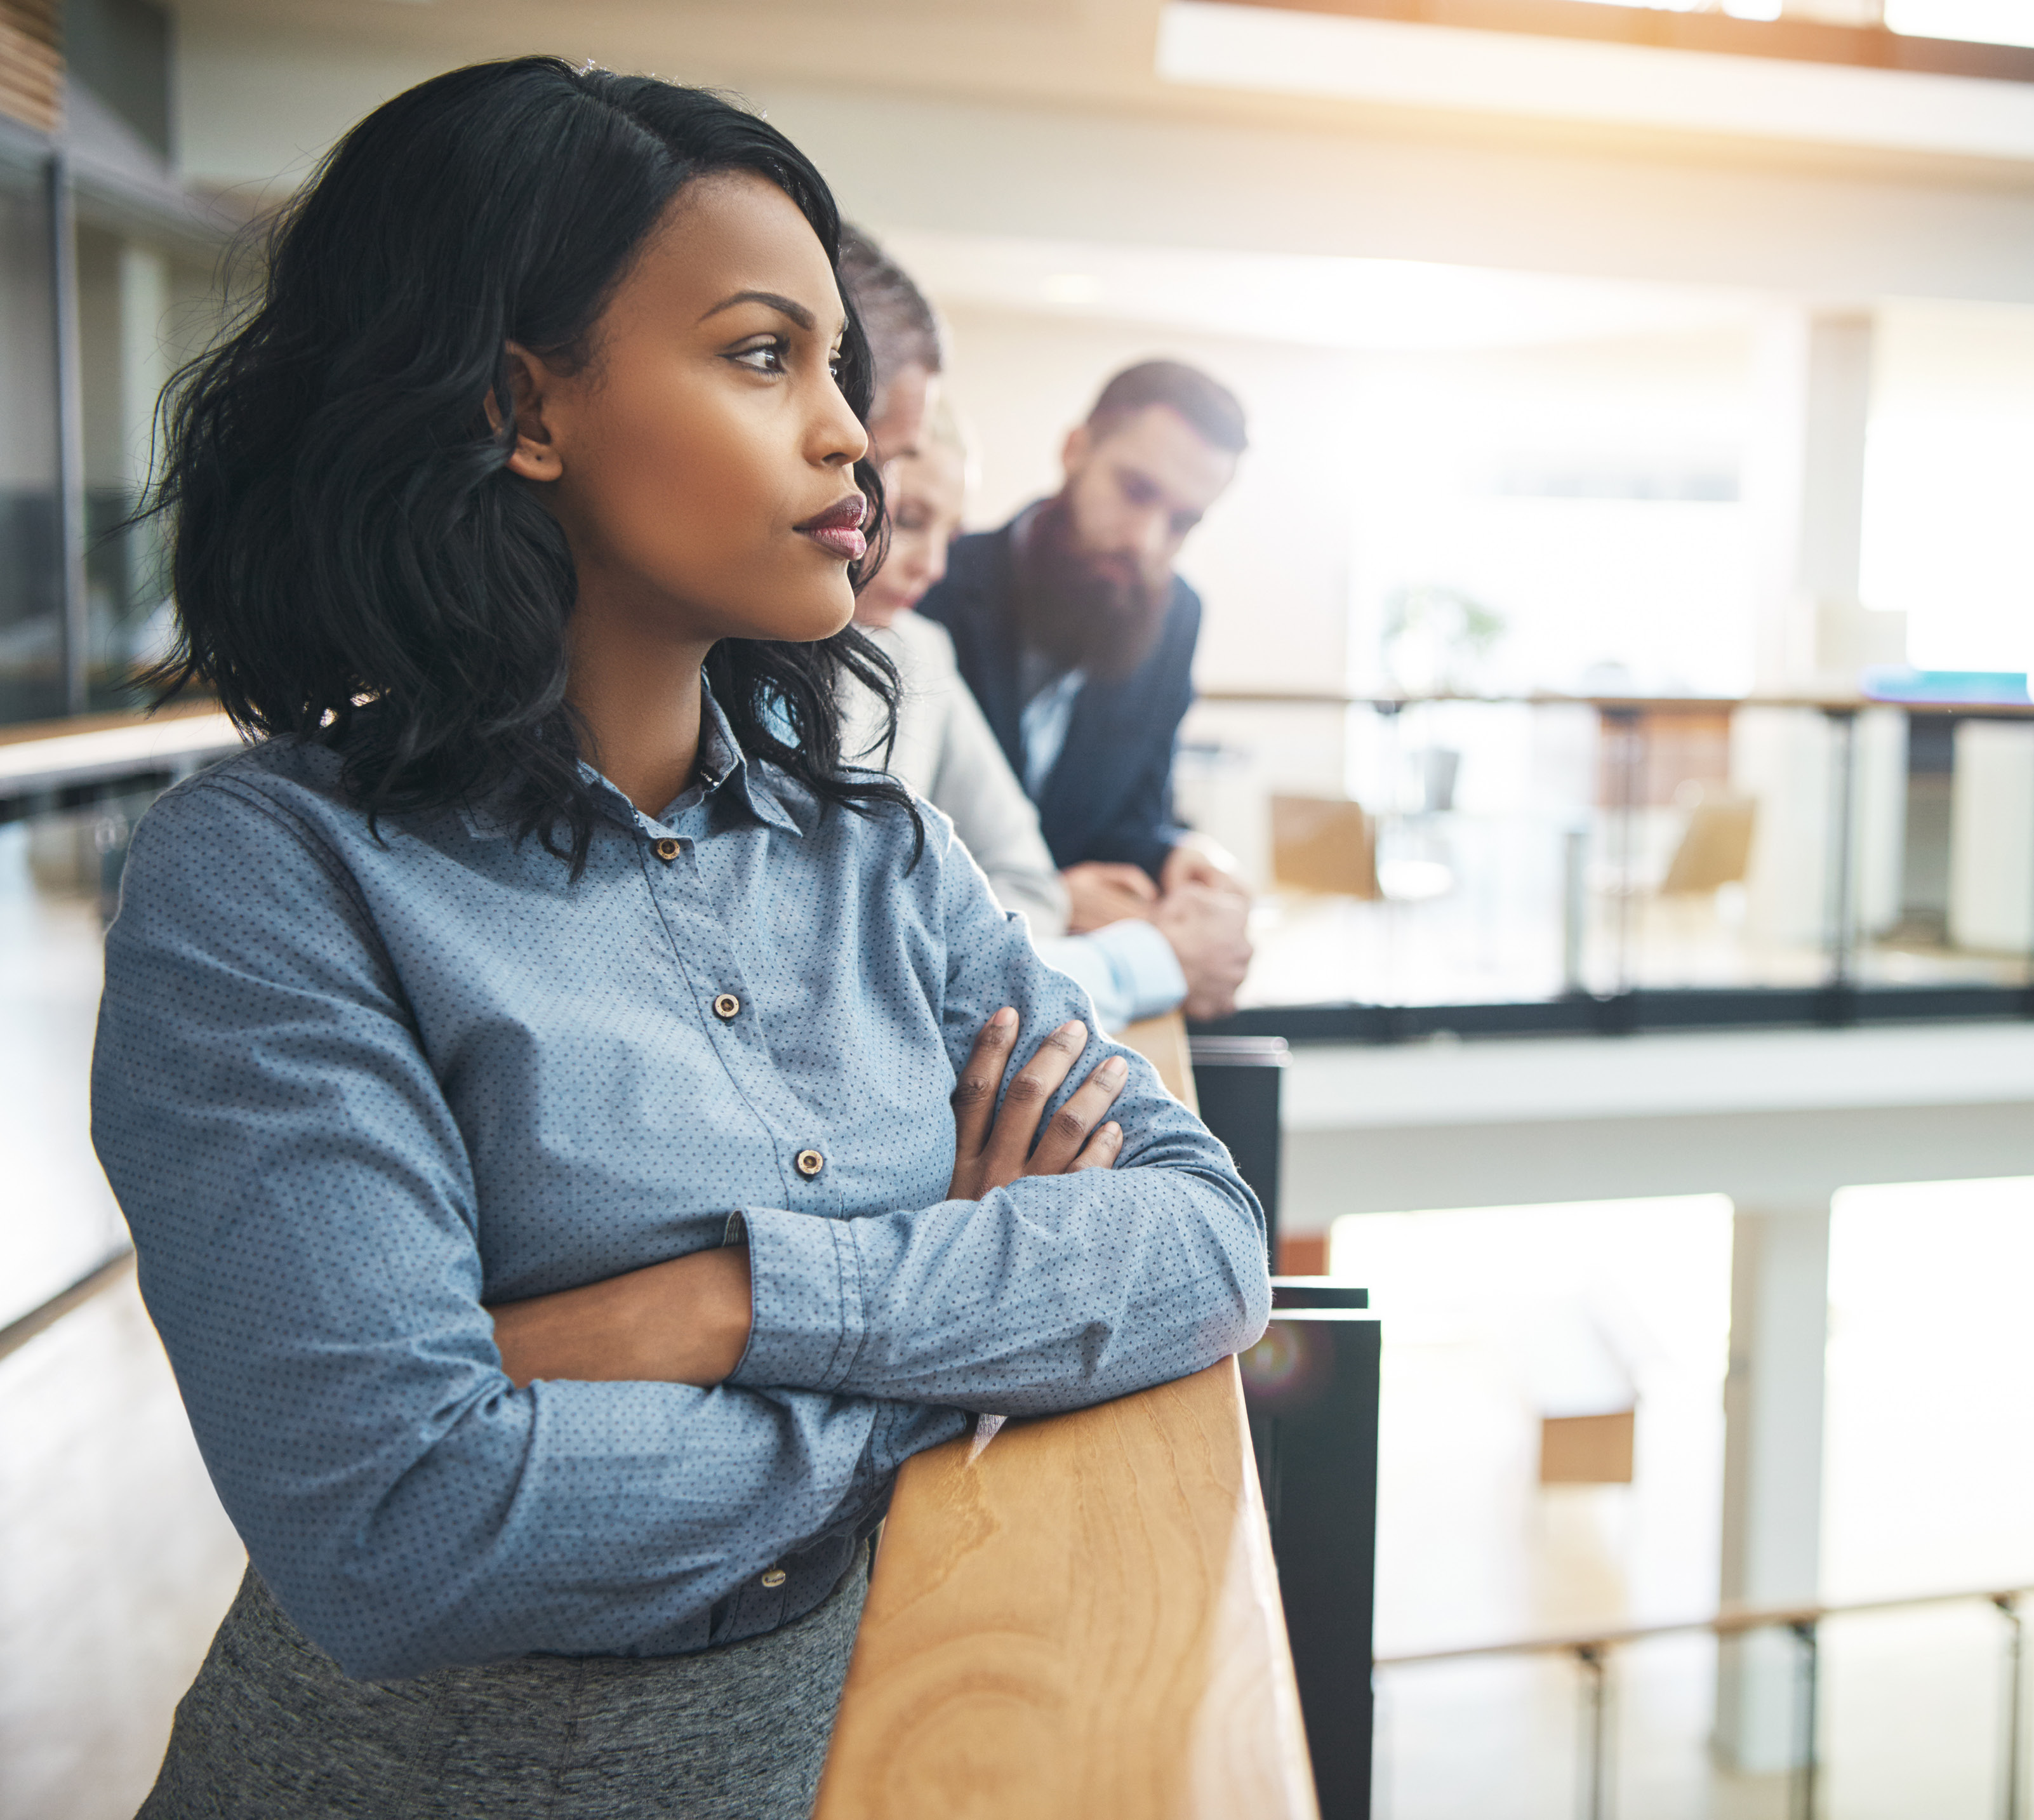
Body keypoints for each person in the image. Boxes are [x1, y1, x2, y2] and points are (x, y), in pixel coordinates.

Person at [91, 58, 1266, 1819]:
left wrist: (720, 1308)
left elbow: (1197, 1242)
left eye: (836, 372)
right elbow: (411, 1526)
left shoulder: (891, 862)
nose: (851, 435)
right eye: (757, 353)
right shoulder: (267, 884)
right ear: (521, 404)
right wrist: (948, 1322)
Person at [915, 359, 1250, 939]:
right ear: (1075, 450)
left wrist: (1175, 855)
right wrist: (1043, 901)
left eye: (1181, 523)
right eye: (1135, 491)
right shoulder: (925, 585)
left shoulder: (1175, 616)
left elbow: (1131, 819)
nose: (1145, 541)